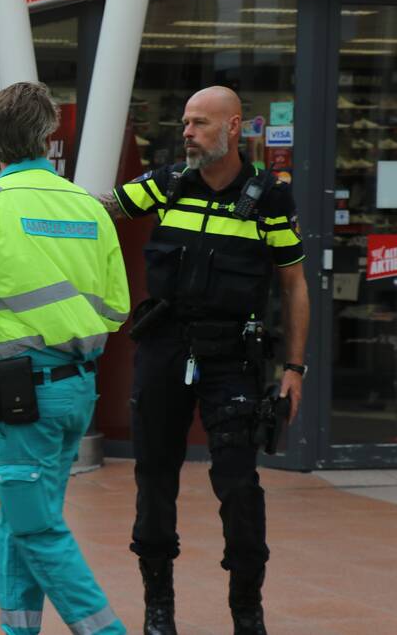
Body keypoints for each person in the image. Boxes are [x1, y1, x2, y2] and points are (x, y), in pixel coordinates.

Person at [98, 86, 309, 635]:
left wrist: (294, 368)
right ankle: (158, 609)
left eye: (199, 123)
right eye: (185, 122)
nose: (186, 133)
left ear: (234, 127)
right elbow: (100, 213)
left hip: (232, 357)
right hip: (163, 347)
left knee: (239, 485)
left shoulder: (269, 198)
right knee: (154, 478)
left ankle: (247, 612)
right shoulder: (166, 184)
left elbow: (294, 283)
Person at [0, 81, 130, 635]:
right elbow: (117, 309)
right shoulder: (89, 206)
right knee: (20, 519)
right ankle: (18, 629)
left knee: (37, 528)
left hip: (24, 394)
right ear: (49, 139)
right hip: (77, 391)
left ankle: (106, 630)